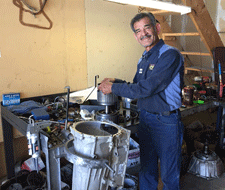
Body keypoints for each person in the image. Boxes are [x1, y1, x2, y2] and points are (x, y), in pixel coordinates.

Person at [98, 12, 184, 190]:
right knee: (147, 169)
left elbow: (148, 88)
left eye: (147, 27)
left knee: (169, 173)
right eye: (138, 31)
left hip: (166, 122)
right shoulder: (143, 58)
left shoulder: (170, 55)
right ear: (135, 36)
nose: (143, 33)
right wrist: (116, 82)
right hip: (146, 119)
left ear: (157, 28)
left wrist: (113, 88)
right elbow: (137, 87)